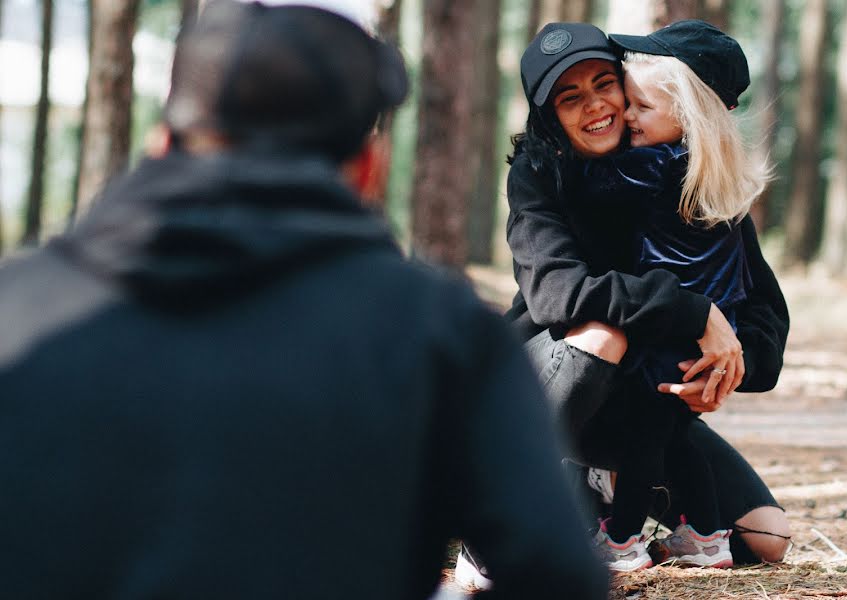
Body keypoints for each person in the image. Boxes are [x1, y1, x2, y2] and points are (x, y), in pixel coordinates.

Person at [0, 3, 607, 599]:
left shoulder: (16, 307)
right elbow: (557, 574)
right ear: (368, 169)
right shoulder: (438, 334)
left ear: (161, 145)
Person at [456, 20, 790, 588]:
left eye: (604, 84)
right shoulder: (541, 176)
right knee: (601, 333)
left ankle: (607, 496)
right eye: (569, 97)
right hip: (551, 386)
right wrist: (693, 312)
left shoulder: (687, 171)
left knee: (768, 538)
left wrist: (725, 365)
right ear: (549, 115)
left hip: (643, 407)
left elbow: (765, 317)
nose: (596, 107)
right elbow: (559, 295)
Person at [581, 21, 772, 571]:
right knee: (675, 434)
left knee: (648, 435)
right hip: (697, 331)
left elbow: (591, 183)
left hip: (666, 333)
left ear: (685, 117)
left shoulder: (653, 165)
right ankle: (707, 536)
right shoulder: (714, 179)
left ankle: (620, 539)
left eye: (640, 106)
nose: (628, 117)